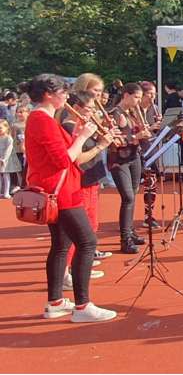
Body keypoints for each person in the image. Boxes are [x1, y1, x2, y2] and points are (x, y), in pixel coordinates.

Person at [21, 74, 117, 322]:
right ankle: (83, 306)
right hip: (61, 192)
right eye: (62, 92)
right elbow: (64, 159)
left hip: (58, 189)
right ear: (48, 94)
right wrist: (84, 136)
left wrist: (88, 138)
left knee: (61, 246)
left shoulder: (42, 118)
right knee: (87, 243)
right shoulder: (42, 119)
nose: (66, 96)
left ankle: (55, 301)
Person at [61, 91, 116, 288]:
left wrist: (106, 137)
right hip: (79, 182)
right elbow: (78, 158)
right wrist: (101, 145)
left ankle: (80, 267)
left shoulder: (82, 126)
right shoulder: (69, 127)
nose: (93, 113)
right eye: (90, 109)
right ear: (77, 109)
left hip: (91, 179)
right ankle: (67, 272)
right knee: (78, 230)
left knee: (91, 225)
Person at [109, 83, 152, 253]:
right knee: (127, 197)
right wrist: (136, 136)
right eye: (136, 97)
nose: (138, 101)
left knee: (133, 195)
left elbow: (138, 134)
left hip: (134, 157)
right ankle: (124, 238)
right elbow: (115, 141)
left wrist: (147, 132)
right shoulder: (115, 114)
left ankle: (130, 231)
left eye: (139, 98)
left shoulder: (133, 112)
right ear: (126, 95)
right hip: (119, 160)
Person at [0, 120, 21, 198]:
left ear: (6, 128)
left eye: (0, 128)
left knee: (6, 175)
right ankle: (1, 191)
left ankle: (6, 192)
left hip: (7, 161)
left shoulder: (8, 138)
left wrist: (4, 159)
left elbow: (8, 150)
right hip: (0, 159)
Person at [12, 105, 29, 191]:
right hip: (17, 150)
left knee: (26, 168)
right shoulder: (15, 125)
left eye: (22, 112)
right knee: (18, 168)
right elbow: (13, 137)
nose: (20, 114)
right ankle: (19, 185)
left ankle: (25, 184)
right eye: (18, 112)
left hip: (27, 150)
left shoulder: (29, 124)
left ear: (27, 113)